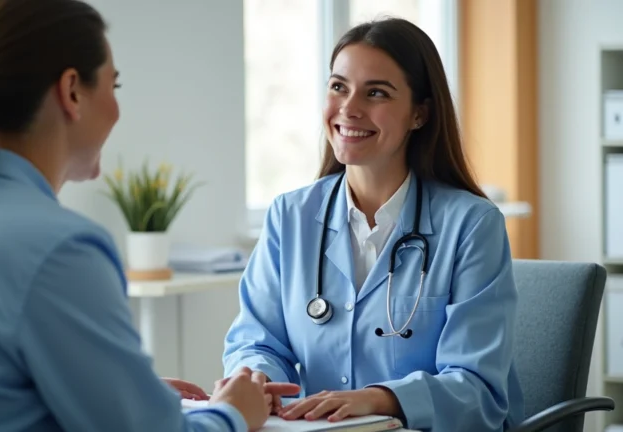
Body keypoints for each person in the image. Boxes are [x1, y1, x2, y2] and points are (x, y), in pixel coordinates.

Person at [0, 0, 299, 431]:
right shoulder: (57, 246)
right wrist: (232, 413)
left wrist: (125, 390)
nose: (117, 109)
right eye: (114, 86)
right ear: (71, 91)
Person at [222, 17, 525, 432]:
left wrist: (381, 400)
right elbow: (256, 341)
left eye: (376, 92)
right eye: (338, 87)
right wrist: (258, 380)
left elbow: (478, 389)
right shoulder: (289, 216)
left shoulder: (472, 226)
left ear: (419, 114)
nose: (349, 108)